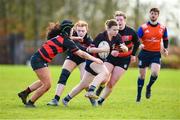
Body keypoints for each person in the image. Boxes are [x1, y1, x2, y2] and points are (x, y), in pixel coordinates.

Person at [17, 19, 103, 107]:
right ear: (68, 30)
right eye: (73, 29)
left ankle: (24, 93)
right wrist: (95, 59)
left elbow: (69, 39)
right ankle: (30, 103)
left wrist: (77, 38)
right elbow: (81, 53)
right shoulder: (66, 41)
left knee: (43, 82)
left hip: (39, 59)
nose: (74, 31)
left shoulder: (61, 36)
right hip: (39, 60)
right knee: (47, 85)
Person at [61, 19, 128, 106]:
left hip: (100, 61)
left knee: (83, 84)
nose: (116, 31)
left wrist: (124, 48)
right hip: (92, 60)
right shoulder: (101, 36)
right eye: (114, 29)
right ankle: (91, 90)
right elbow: (90, 49)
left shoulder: (117, 36)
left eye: (117, 29)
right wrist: (102, 49)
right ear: (108, 29)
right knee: (105, 73)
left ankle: (66, 99)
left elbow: (125, 48)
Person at [47, 20, 106, 106]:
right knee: (63, 76)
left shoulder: (89, 39)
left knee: (85, 82)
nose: (81, 33)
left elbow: (92, 51)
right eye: (79, 30)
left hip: (83, 60)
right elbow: (80, 48)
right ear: (75, 30)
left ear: (86, 30)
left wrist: (100, 52)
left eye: (83, 31)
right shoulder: (71, 35)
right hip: (72, 57)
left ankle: (92, 100)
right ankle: (55, 99)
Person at [96, 11, 140, 105]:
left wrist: (133, 55)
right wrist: (111, 51)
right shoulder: (111, 31)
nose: (119, 22)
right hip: (111, 57)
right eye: (117, 20)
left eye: (121, 20)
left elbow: (137, 43)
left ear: (125, 21)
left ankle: (100, 100)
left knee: (112, 82)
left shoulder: (131, 32)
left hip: (124, 59)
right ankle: (101, 86)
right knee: (104, 76)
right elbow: (105, 43)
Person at [136, 8, 169, 102]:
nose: (153, 15)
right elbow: (137, 38)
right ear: (149, 14)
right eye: (152, 13)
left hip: (156, 54)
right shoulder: (143, 27)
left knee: (155, 73)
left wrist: (165, 49)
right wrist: (139, 44)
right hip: (144, 53)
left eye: (155, 14)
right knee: (142, 76)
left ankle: (149, 87)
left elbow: (165, 39)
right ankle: (138, 96)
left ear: (158, 15)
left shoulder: (162, 28)